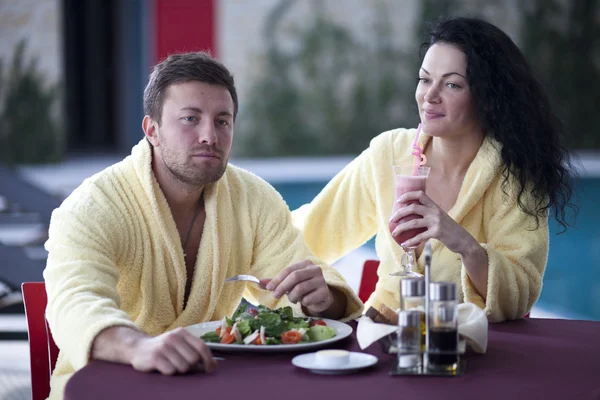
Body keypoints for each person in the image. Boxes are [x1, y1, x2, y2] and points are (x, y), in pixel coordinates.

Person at [43, 52, 363, 399]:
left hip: (207, 382)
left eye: (222, 121)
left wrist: (322, 299)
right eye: (190, 119)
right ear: (152, 130)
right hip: (108, 383)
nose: (209, 135)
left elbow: (303, 292)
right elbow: (74, 301)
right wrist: (138, 347)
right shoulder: (94, 205)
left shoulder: (253, 199)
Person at [292, 17, 576, 323]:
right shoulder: (389, 154)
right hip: (384, 337)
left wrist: (461, 241)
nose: (430, 95)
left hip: (468, 347)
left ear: (488, 98)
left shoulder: (514, 177)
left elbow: (518, 296)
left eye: (451, 84)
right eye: (425, 79)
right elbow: (310, 231)